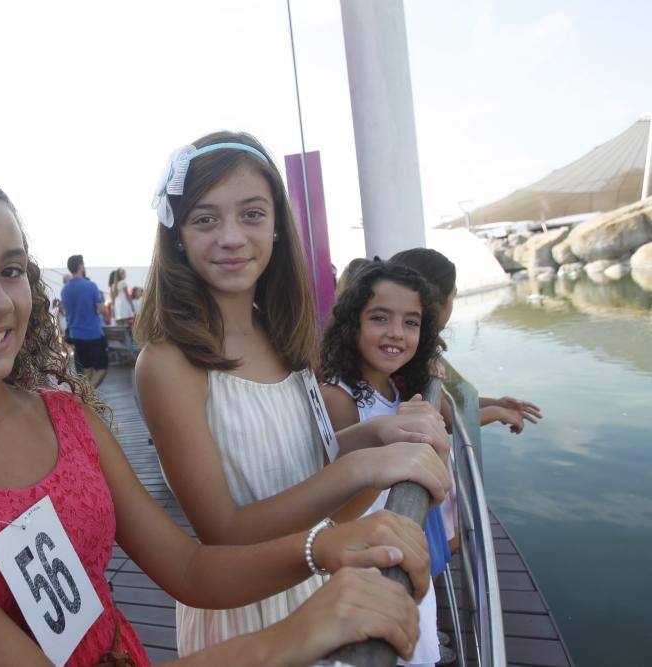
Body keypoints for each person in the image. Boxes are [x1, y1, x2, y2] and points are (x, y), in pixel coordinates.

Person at [0, 163, 430, 667]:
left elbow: (188, 568)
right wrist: (296, 634)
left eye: (12, 270)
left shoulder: (63, 417)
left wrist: (328, 545)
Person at [134, 132, 452, 658]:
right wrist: (360, 469)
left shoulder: (282, 334)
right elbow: (223, 531)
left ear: (278, 226)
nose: (231, 237)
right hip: (250, 607)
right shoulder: (168, 364)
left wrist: (373, 433)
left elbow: (302, 460)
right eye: (205, 219)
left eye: (252, 214)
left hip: (319, 576)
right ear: (177, 237)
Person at [318, 261, 452, 667]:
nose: (396, 332)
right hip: (365, 564)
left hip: (402, 549)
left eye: (411, 323)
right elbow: (339, 511)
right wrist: (392, 458)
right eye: (380, 318)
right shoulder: (338, 398)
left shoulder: (397, 387)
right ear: (351, 324)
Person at [389, 248, 543, 434]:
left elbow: (448, 402)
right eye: (453, 295)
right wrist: (498, 412)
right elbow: (450, 421)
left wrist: (495, 403)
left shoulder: (406, 350)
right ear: (439, 303)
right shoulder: (416, 359)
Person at [61, 254, 109, 388]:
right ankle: (87, 396)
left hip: (76, 334)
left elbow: (65, 311)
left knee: (87, 369)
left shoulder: (64, 290)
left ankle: (84, 396)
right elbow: (100, 308)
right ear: (81, 266)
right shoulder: (91, 286)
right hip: (92, 334)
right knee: (102, 367)